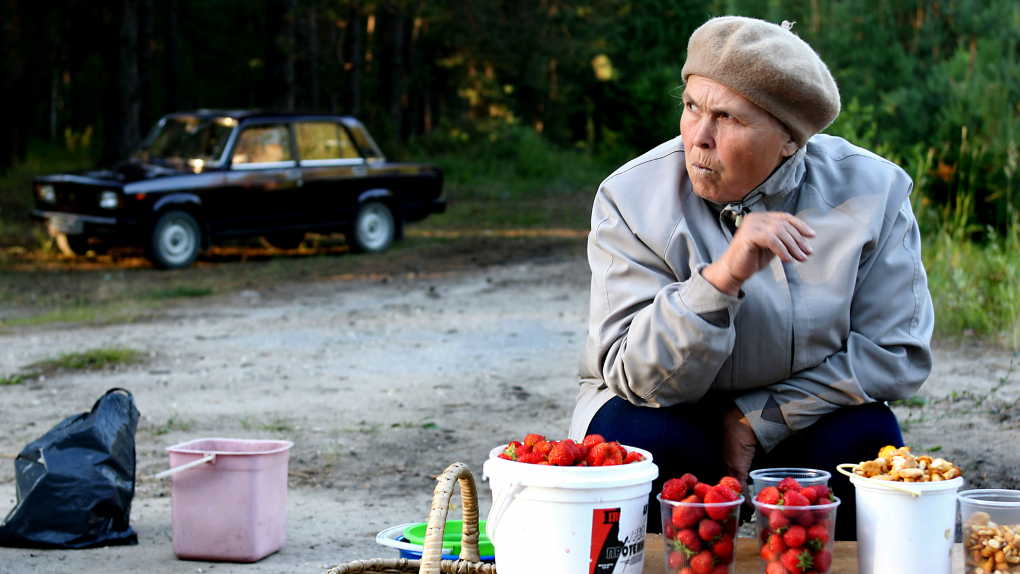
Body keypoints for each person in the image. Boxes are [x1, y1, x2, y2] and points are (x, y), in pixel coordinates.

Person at [567, 16, 934, 540]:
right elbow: (633, 375)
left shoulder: (873, 194)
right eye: (691, 106)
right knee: (651, 446)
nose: (700, 137)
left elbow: (895, 352)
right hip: (663, 406)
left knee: (864, 439)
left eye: (728, 118)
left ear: (789, 139)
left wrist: (759, 418)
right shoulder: (632, 199)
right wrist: (720, 280)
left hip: (802, 411)